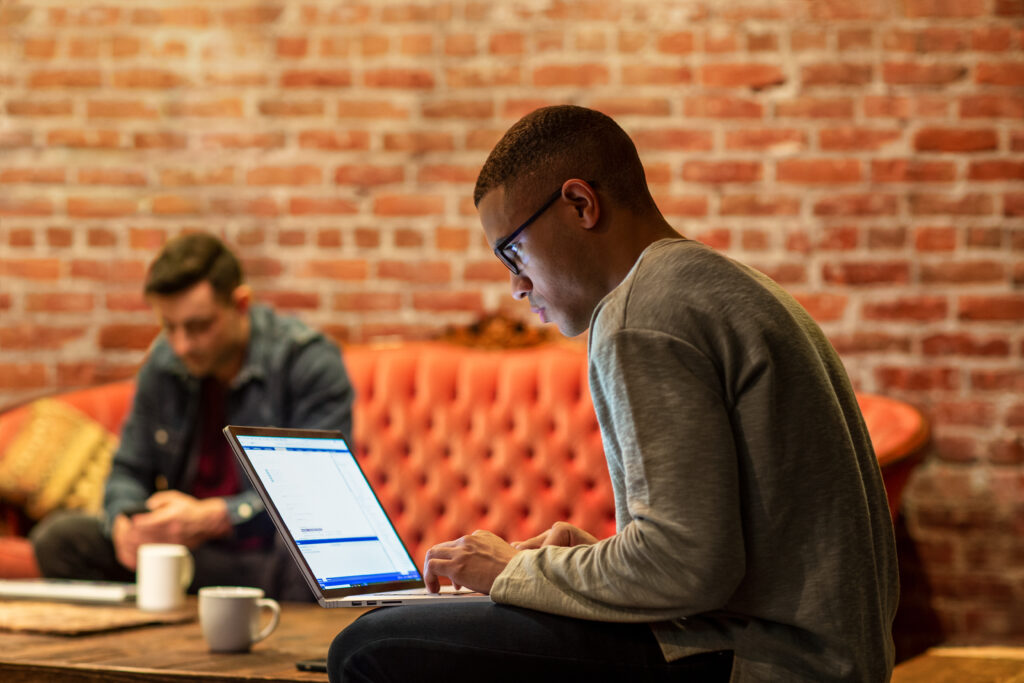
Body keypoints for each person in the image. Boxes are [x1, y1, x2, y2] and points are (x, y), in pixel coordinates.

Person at [327, 106, 898, 681]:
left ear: (580, 204)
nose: (516, 286)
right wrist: (573, 562)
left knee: (371, 644)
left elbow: (685, 569)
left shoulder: (639, 314)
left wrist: (510, 571)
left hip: (760, 663)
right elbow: (707, 550)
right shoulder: (735, 287)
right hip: (822, 658)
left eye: (512, 252)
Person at [32, 232, 354, 601]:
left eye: (199, 326)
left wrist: (219, 516)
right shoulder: (165, 361)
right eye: (170, 327)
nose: (183, 344)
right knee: (60, 540)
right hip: (184, 553)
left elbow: (321, 495)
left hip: (264, 557)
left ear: (241, 303)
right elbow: (127, 470)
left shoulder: (307, 362)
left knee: (315, 562)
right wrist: (125, 521)